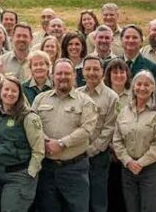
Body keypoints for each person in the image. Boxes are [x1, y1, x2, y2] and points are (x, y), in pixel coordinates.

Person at [32, 59, 97, 212]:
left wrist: (62, 143)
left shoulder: (86, 102)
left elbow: (87, 129)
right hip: (47, 169)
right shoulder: (40, 99)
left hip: (74, 169)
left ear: (74, 75)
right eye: (59, 73)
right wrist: (46, 141)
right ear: (52, 76)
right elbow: (32, 124)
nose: (63, 77)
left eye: (67, 73)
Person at [0, 76, 43, 212]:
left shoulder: (28, 117)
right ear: (0, 92)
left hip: (17, 175)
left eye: (14, 91)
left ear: (20, 94)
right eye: (6, 89)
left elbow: (38, 149)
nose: (9, 93)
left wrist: (30, 173)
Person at [112, 71, 156, 212]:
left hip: (152, 170)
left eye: (147, 84)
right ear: (133, 87)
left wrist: (140, 163)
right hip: (128, 170)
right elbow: (117, 140)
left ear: (153, 88)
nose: (142, 88)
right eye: (139, 84)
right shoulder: (124, 111)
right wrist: (128, 161)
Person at [79, 56, 120, 212]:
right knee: (79, 200)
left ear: (103, 72)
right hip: (76, 156)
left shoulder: (112, 97)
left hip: (98, 157)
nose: (91, 72)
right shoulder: (77, 94)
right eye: (88, 69)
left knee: (98, 200)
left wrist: (90, 150)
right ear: (82, 71)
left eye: (96, 69)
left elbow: (109, 129)